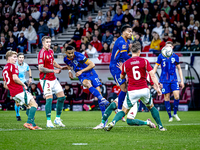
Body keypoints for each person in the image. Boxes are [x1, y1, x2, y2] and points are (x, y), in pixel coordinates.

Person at [104, 41, 166, 131]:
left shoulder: (126, 63)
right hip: (144, 90)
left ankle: (112, 122)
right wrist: (157, 88)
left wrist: (122, 70)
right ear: (139, 51)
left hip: (132, 91)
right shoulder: (144, 61)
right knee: (151, 107)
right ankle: (160, 126)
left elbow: (121, 77)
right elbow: (152, 75)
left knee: (124, 111)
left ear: (130, 51)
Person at [93, 25, 132, 129]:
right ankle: (119, 109)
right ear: (123, 32)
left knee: (126, 88)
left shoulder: (126, 42)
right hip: (115, 67)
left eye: (131, 32)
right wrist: (135, 58)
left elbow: (123, 57)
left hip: (120, 66)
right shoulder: (121, 41)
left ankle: (118, 109)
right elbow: (125, 56)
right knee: (124, 88)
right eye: (129, 31)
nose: (131, 33)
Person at [63, 46, 110, 120]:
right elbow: (68, 65)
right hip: (82, 76)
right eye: (69, 53)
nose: (71, 55)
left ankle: (104, 116)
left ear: (74, 51)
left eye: (72, 52)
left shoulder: (79, 56)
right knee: (87, 84)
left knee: (99, 93)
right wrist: (69, 72)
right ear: (66, 53)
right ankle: (102, 99)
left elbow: (92, 64)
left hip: (91, 73)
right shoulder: (65, 59)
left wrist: (81, 71)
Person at [2, 50, 41, 130]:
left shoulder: (4, 69)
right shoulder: (13, 66)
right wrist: (23, 85)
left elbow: (5, 85)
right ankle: (28, 122)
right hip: (19, 90)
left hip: (13, 93)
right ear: (9, 58)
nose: (16, 59)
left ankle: (33, 124)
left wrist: (13, 90)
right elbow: (15, 78)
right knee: (34, 105)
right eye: (14, 57)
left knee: (29, 106)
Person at [38, 36, 69, 128]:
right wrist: (53, 70)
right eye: (47, 42)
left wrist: (60, 67)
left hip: (53, 78)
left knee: (62, 97)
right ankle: (48, 121)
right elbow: (40, 68)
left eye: (50, 42)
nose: (49, 44)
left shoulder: (51, 51)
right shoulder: (41, 53)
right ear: (43, 43)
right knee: (49, 98)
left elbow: (53, 62)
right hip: (45, 79)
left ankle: (57, 119)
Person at [153, 41, 184, 122]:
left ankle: (175, 113)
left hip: (174, 79)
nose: (168, 48)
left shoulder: (175, 56)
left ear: (172, 47)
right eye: (166, 46)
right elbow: (156, 66)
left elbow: (179, 68)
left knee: (176, 96)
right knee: (166, 97)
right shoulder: (161, 56)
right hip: (164, 80)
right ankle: (170, 116)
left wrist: (182, 80)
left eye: (169, 46)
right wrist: (152, 74)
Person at [14, 53, 32, 121]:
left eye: (22, 57)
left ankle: (29, 114)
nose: (21, 59)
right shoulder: (14, 65)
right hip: (16, 84)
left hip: (24, 83)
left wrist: (30, 77)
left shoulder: (25, 65)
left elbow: (29, 69)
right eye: (20, 57)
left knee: (27, 99)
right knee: (17, 102)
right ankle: (17, 114)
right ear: (17, 58)